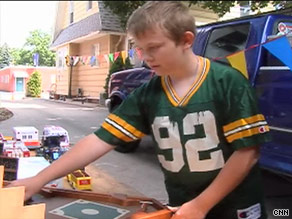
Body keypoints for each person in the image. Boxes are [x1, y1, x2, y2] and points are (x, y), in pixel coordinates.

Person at [9, 2, 271, 219]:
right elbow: (100, 139)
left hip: (236, 208)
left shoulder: (227, 82)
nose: (146, 57)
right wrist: (39, 179)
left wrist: (202, 204)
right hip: (181, 206)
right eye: (140, 49)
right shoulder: (149, 92)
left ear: (186, 40)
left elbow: (247, 152)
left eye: (154, 48)